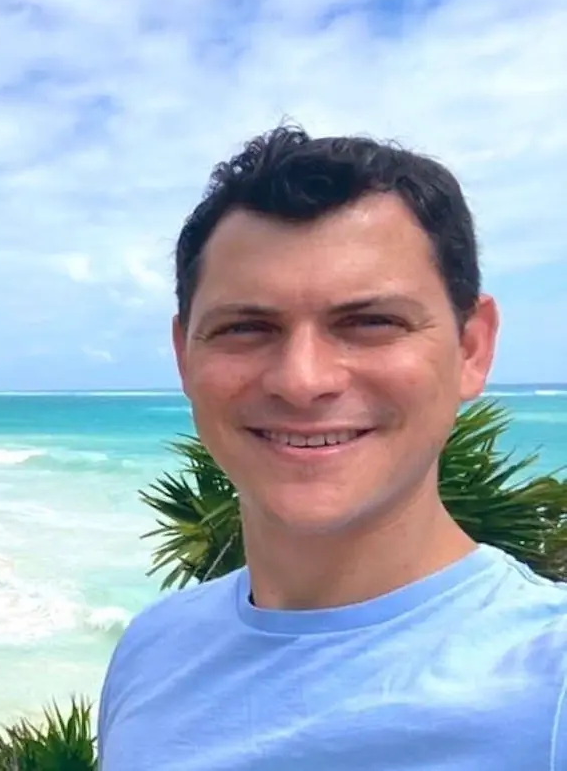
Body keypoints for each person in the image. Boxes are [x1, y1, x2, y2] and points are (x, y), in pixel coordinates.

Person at [97, 125, 567, 769]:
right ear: (184, 355)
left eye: (371, 323)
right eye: (245, 328)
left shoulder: (548, 685)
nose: (302, 380)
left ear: (471, 348)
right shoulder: (152, 653)